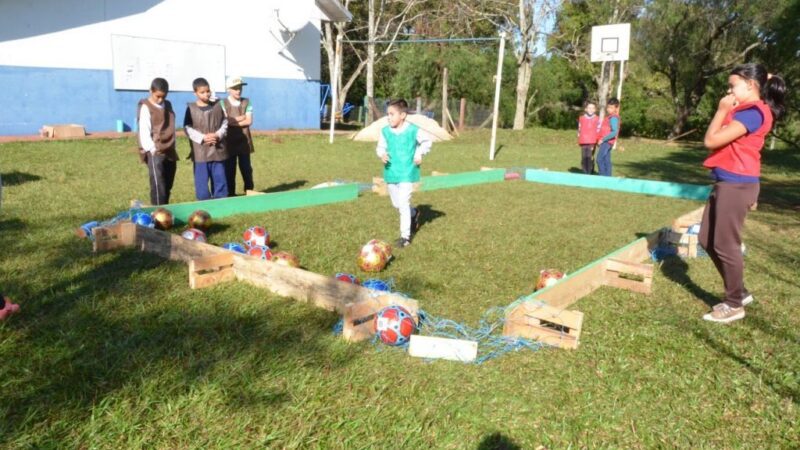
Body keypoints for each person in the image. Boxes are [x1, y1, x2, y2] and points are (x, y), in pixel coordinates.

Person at [699, 64, 785, 323]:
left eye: (732, 85)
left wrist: (721, 110)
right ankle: (740, 292)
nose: (728, 90)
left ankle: (734, 304)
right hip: (727, 182)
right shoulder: (746, 110)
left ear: (750, 85)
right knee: (706, 240)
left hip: (736, 185)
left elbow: (711, 141)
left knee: (726, 245)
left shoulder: (752, 113)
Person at [376, 99, 432, 248]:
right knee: (397, 204)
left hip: (407, 171)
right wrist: (382, 154)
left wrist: (419, 153)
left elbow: (427, 141)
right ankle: (414, 213)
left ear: (403, 115)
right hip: (391, 171)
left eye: (392, 114)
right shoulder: (385, 131)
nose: (389, 117)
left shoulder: (413, 130)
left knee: (403, 203)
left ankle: (405, 237)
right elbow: (380, 147)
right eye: (388, 114)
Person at [184, 77, 229, 200]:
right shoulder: (191, 108)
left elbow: (225, 122)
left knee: (220, 180)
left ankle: (221, 202)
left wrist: (217, 135)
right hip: (200, 153)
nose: (206, 94)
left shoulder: (218, 106)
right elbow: (187, 128)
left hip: (218, 150)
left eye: (208, 91)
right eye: (202, 92)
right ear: (195, 93)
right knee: (202, 184)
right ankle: (204, 204)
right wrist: (203, 138)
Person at [137, 78, 178, 205]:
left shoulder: (168, 105)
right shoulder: (146, 106)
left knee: (168, 182)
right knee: (158, 183)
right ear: (151, 91)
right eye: (157, 96)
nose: (160, 100)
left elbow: (171, 125)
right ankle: (157, 212)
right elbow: (144, 130)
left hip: (169, 149)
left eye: (163, 97)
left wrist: (173, 144)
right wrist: (152, 149)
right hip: (155, 151)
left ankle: (165, 208)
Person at [222, 76, 255, 196]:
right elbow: (225, 121)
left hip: (244, 141)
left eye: (240, 87)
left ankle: (249, 190)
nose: (238, 90)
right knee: (230, 170)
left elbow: (249, 121)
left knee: (246, 169)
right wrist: (240, 118)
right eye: (235, 88)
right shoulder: (222, 103)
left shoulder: (247, 102)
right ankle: (231, 193)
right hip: (229, 142)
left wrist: (233, 121)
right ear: (228, 89)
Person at [596, 98, 621, 176]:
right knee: (606, 160)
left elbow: (614, 132)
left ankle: (603, 176)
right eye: (608, 107)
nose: (609, 109)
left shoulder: (613, 118)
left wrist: (603, 139)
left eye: (611, 108)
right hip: (608, 142)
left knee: (599, 159)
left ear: (616, 108)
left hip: (606, 142)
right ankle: (608, 177)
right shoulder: (610, 117)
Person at [577, 101, 600, 174]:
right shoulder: (582, 118)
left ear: (595, 109)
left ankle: (589, 171)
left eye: (593, 108)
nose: (591, 109)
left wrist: (597, 140)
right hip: (584, 140)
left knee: (590, 157)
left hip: (592, 141)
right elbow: (579, 129)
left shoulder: (597, 119)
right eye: (589, 108)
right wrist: (579, 138)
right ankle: (584, 171)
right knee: (584, 157)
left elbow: (598, 130)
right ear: (585, 109)